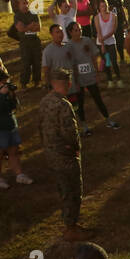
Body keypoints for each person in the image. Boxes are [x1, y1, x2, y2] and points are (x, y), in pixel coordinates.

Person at [39, 69, 88, 242]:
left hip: (51, 153)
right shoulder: (63, 104)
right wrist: (76, 148)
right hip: (66, 155)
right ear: (67, 83)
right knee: (73, 191)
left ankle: (69, 224)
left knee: (63, 190)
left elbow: (40, 128)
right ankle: (71, 227)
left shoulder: (44, 102)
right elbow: (70, 132)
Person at [0, 68, 31, 189]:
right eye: (3, 83)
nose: (5, 85)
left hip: (10, 126)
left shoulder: (5, 91)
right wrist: (1, 95)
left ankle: (19, 175)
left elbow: (14, 107)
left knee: (14, 152)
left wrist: (12, 96)